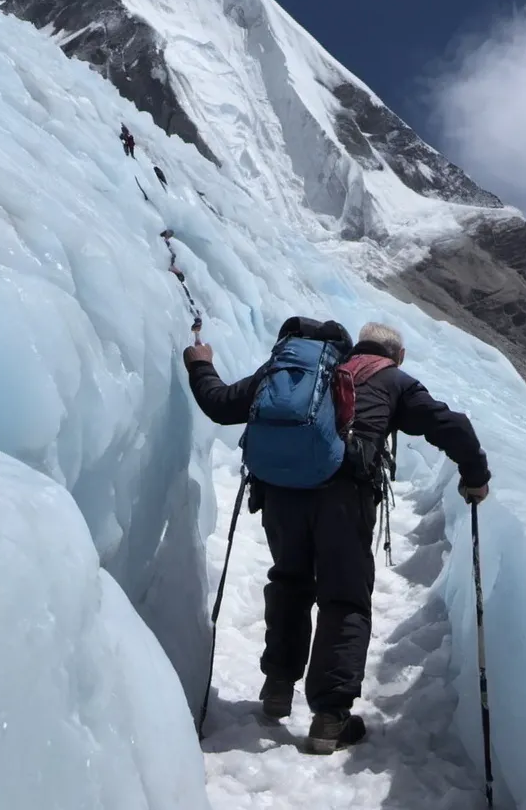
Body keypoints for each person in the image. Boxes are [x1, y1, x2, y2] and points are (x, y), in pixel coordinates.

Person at [184, 318, 490, 754]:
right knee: (343, 599)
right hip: (345, 501)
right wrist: (475, 477)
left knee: (290, 582)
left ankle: (277, 686)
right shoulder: (394, 380)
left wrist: (201, 365)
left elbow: (219, 403)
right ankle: (329, 718)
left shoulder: (303, 375)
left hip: (282, 498)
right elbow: (453, 426)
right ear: (397, 355)